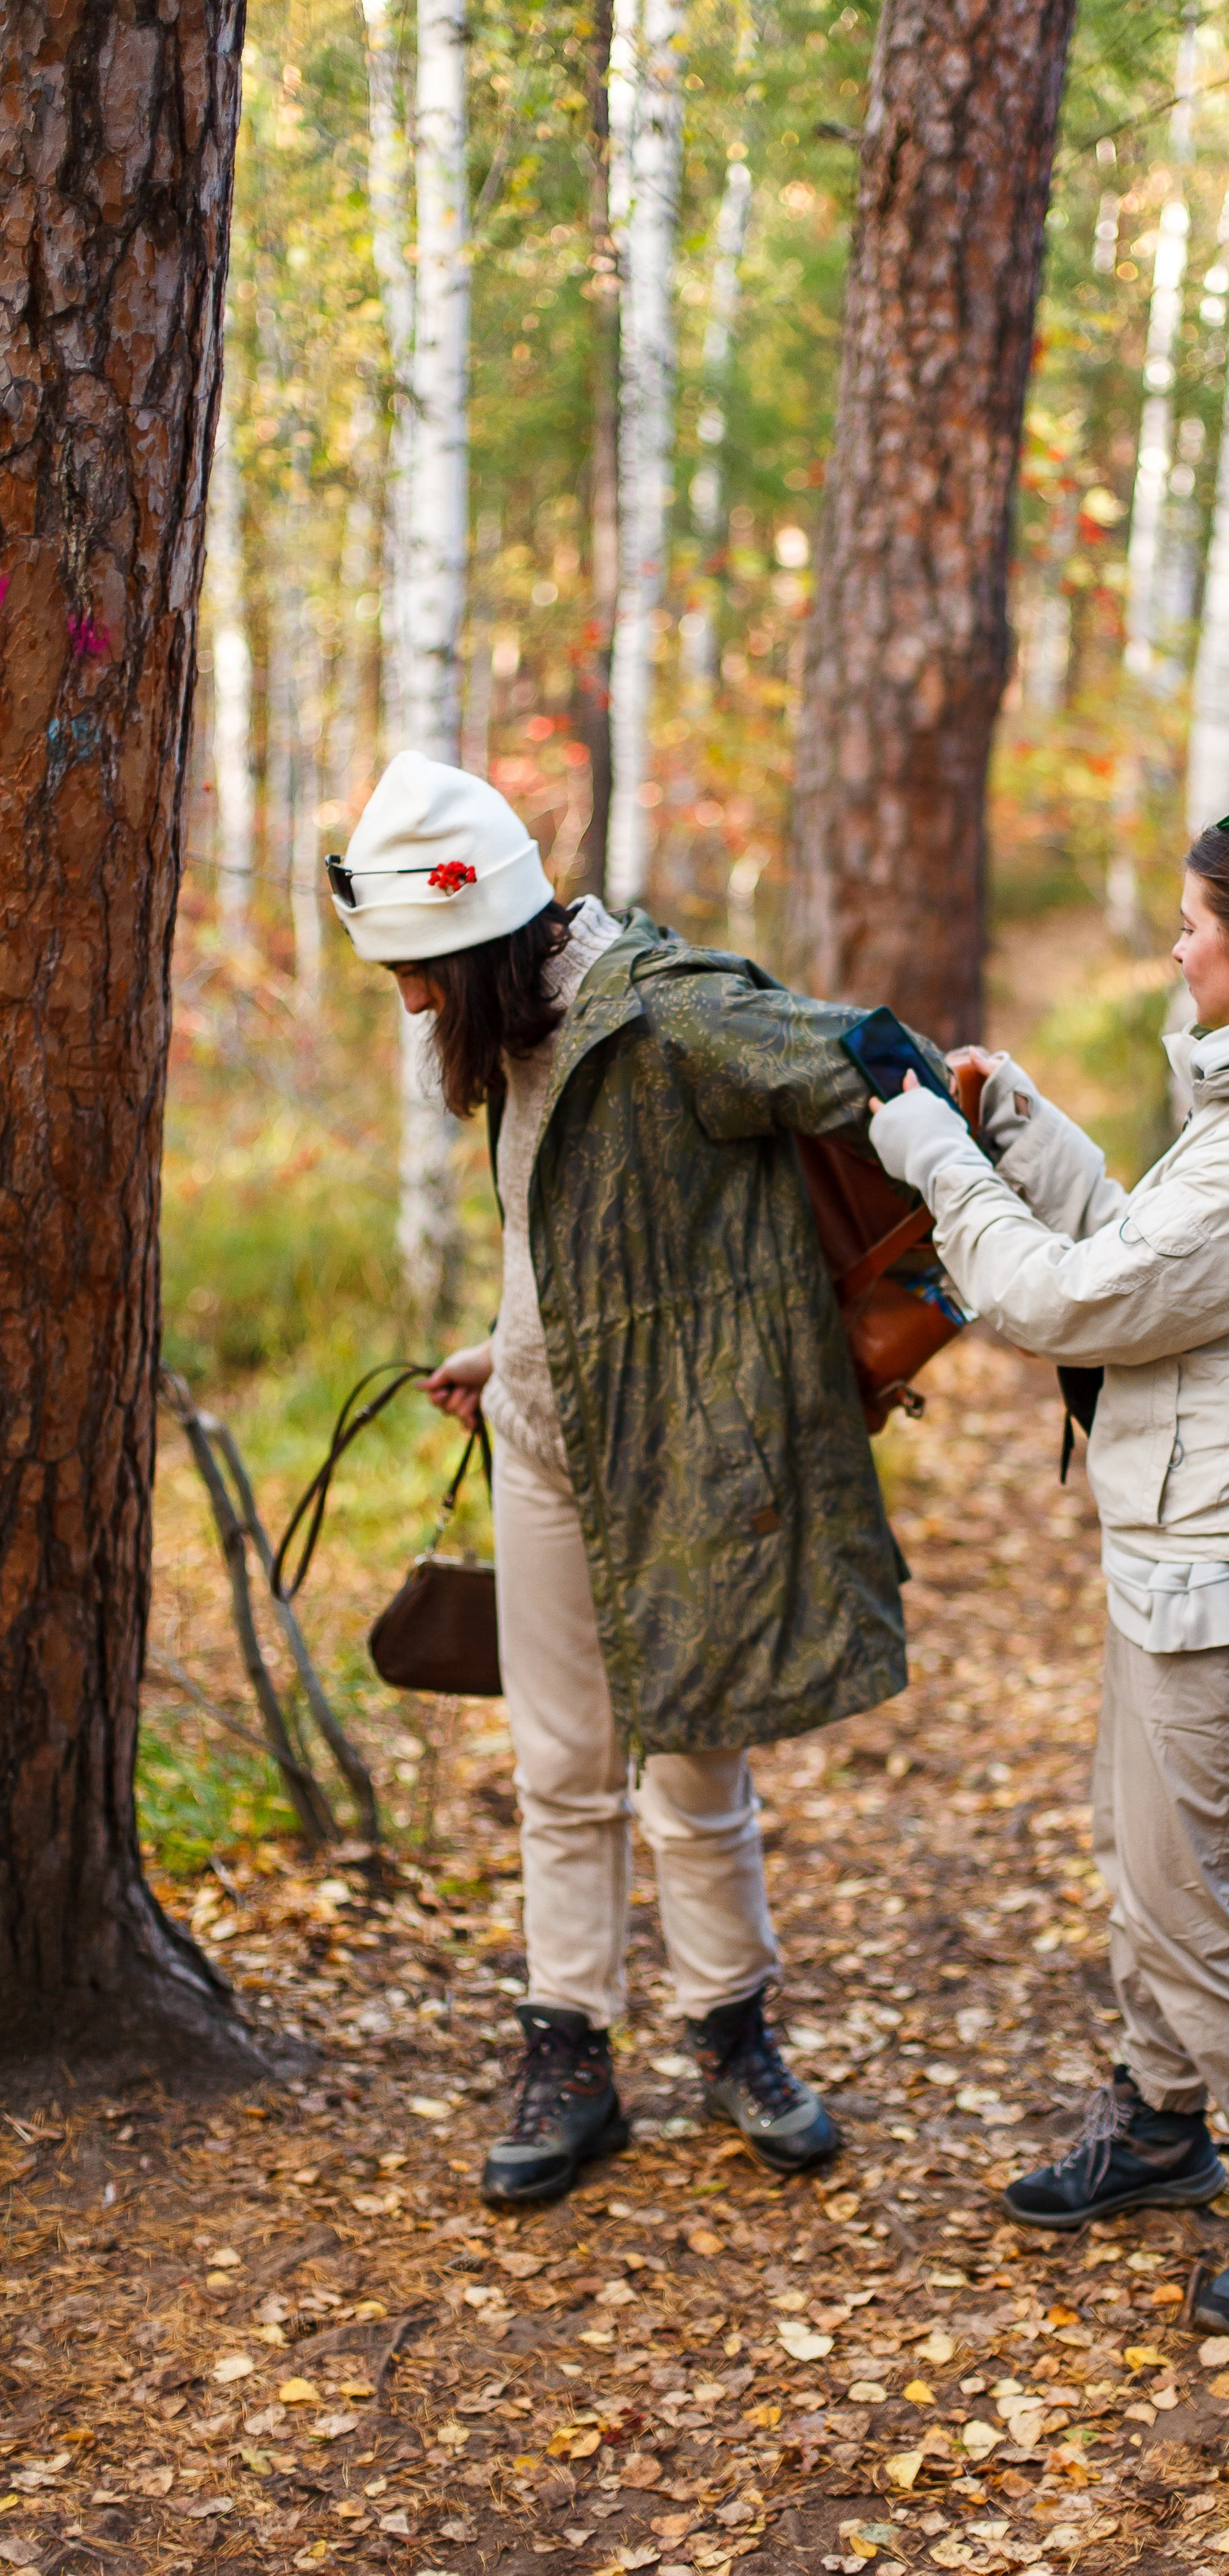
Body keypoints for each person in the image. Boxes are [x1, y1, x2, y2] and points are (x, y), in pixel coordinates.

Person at [868, 797, 1229, 2340]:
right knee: (1151, 1859)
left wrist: (927, 1148)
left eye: (1193, 925)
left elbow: (1065, 1301)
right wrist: (1016, 1125)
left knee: (1195, 1898)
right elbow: (1152, 1257)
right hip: (1194, 1557)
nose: (1173, 947)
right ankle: (1159, 2121)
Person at [330, 750, 914, 2205]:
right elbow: (567, 1236)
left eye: (417, 971)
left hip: (681, 1460)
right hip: (537, 1439)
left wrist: (906, 1317)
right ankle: (567, 2053)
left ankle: (733, 2035)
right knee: (560, 1772)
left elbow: (885, 1075)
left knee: (696, 1760)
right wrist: (504, 1348)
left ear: (480, 944)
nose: (407, 1002)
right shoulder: (502, 1026)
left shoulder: (673, 1015)